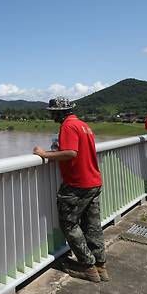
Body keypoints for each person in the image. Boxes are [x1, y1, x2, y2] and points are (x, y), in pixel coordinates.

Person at [33, 97, 107, 283]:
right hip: (94, 181)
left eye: (52, 112)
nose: (51, 114)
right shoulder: (83, 125)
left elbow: (71, 153)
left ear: (60, 112)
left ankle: (87, 266)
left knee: (69, 224)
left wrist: (45, 155)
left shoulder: (67, 126)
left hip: (77, 184)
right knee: (93, 225)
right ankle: (100, 265)